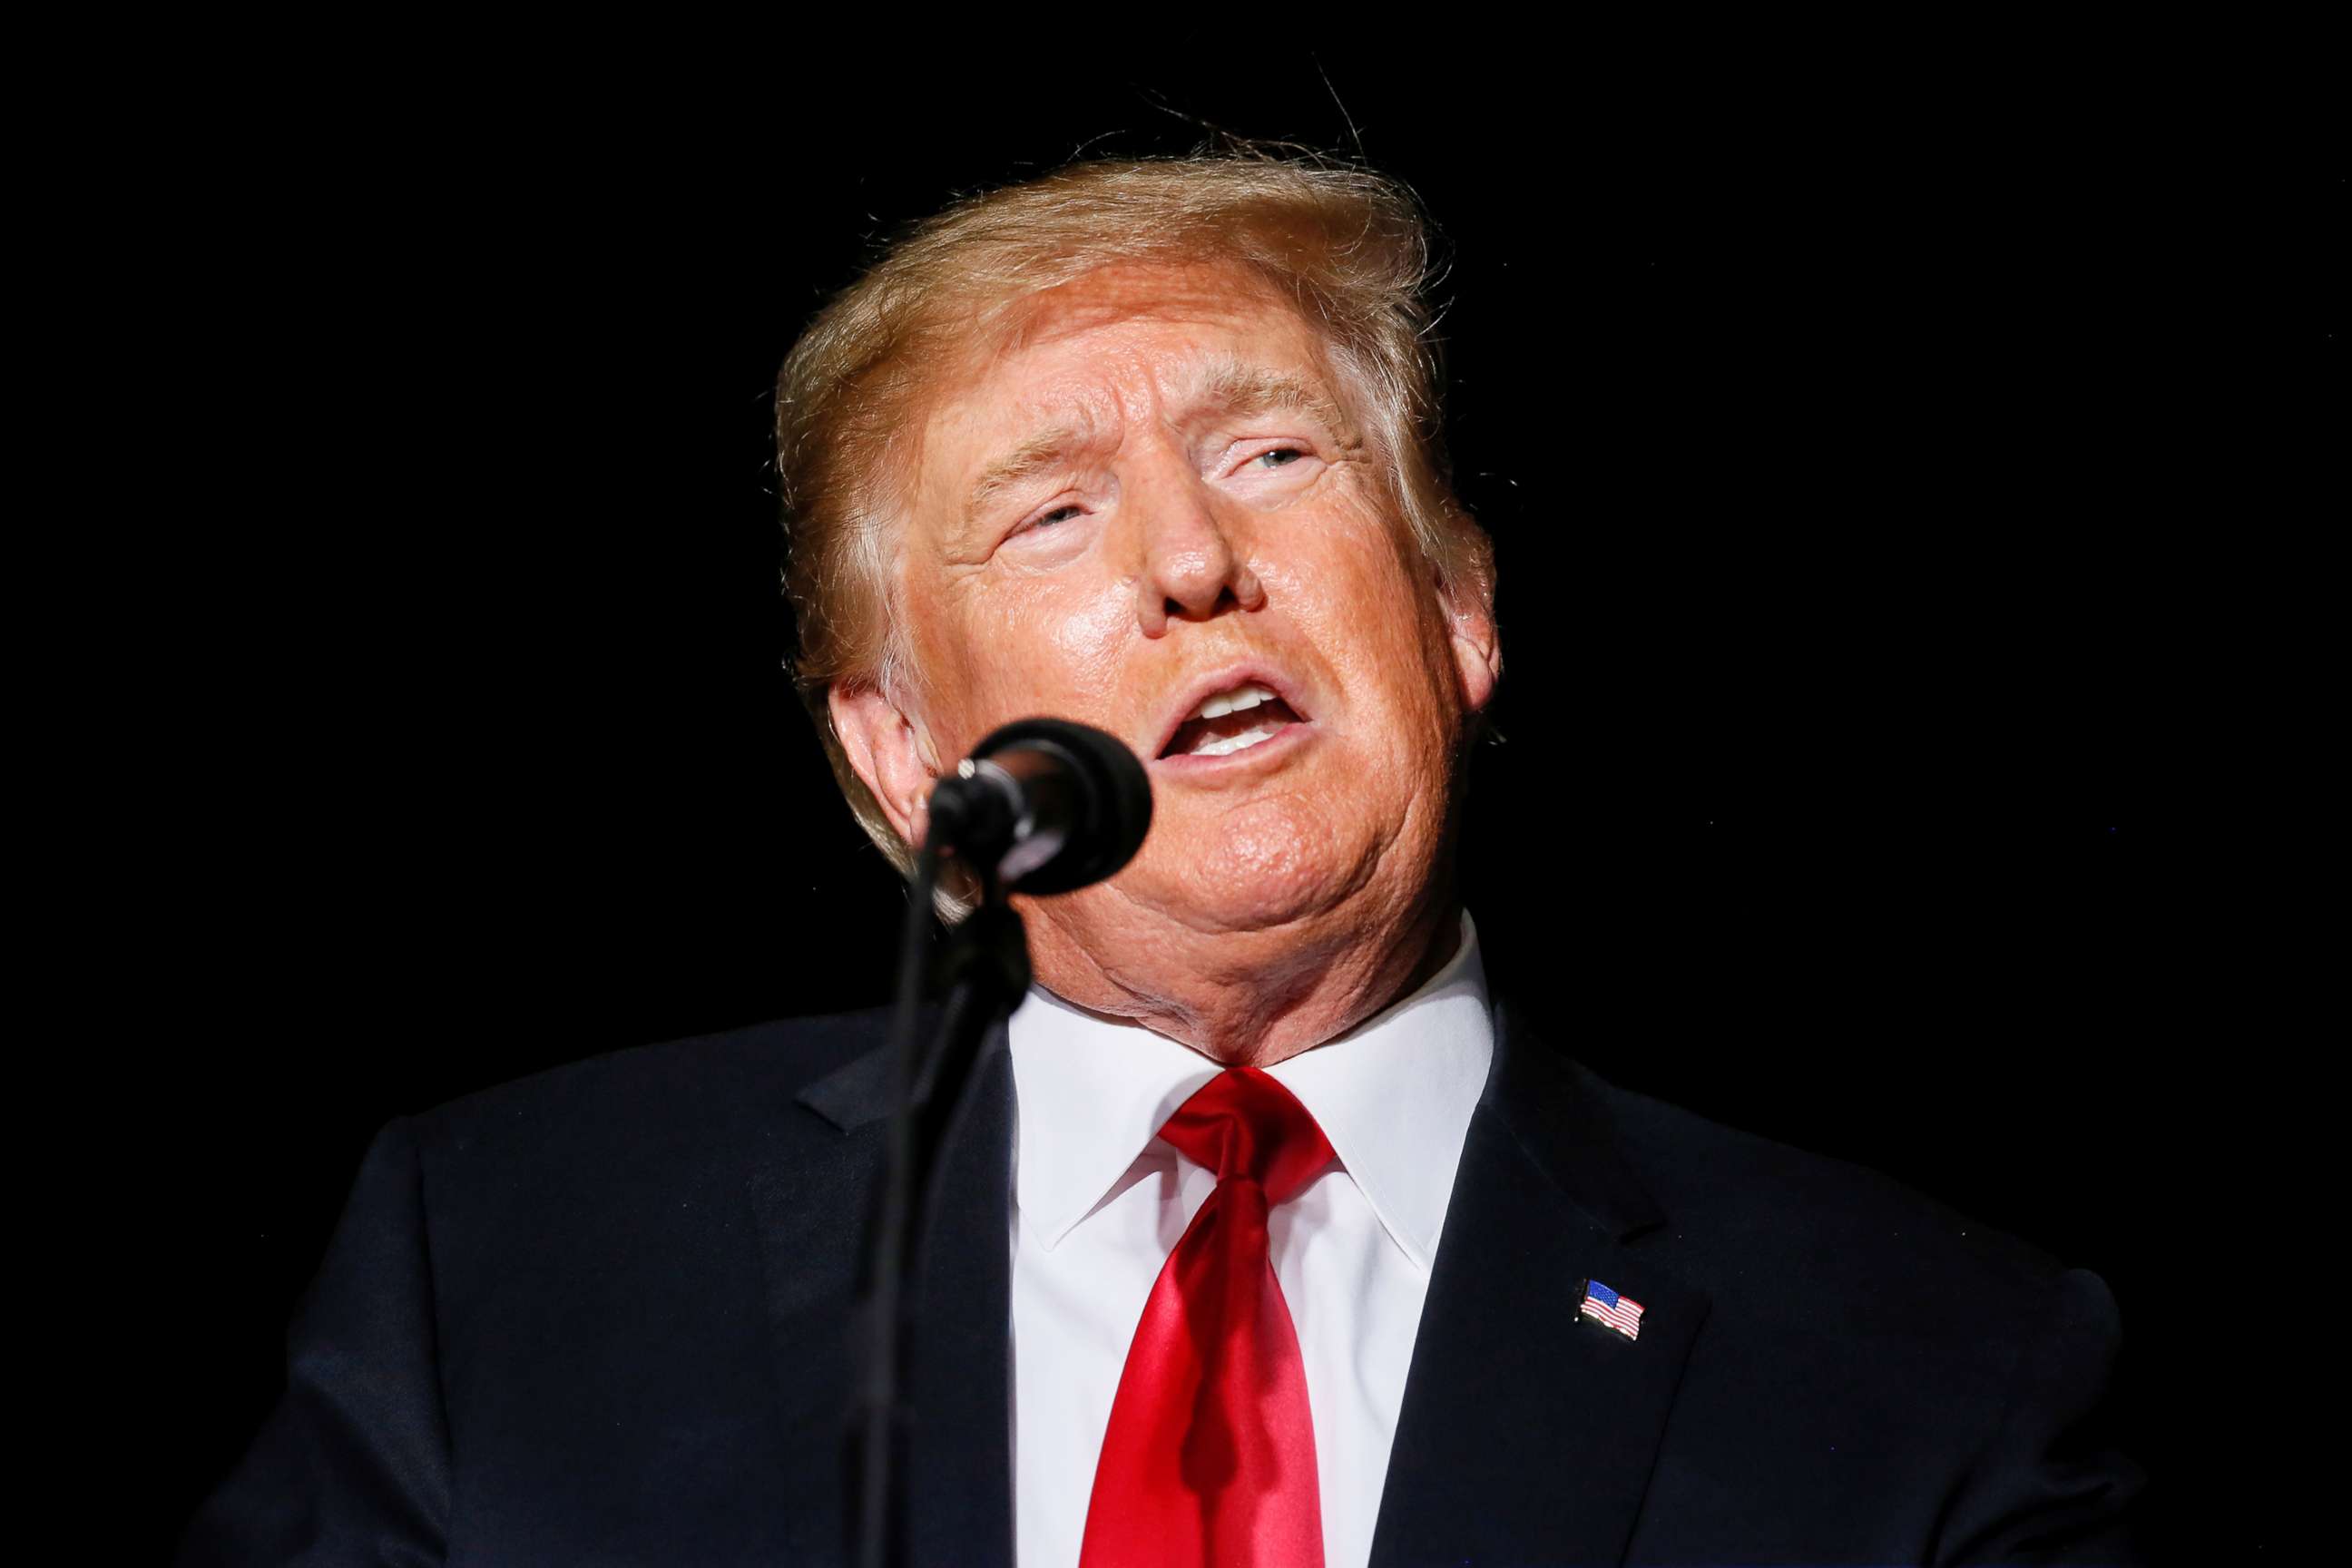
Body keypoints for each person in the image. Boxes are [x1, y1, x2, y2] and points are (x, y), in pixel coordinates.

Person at [181, 152, 2143, 1566]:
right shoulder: (509, 1263)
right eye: (1048, 516)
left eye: (1275, 457)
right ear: (902, 756)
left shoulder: (1933, 1364)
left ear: (1457, 613)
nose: (1192, 563)